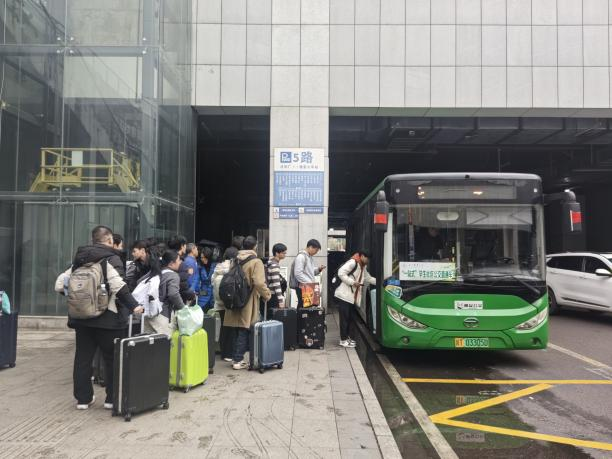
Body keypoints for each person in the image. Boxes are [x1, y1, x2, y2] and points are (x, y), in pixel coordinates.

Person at [54, 225, 143, 410]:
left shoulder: (79, 259)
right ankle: (111, 399)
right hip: (108, 318)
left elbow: (59, 285)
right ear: (110, 240)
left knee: (83, 359)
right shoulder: (110, 259)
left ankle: (83, 400)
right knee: (111, 359)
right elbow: (119, 287)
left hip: (82, 319)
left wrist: (79, 299)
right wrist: (135, 306)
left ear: (93, 240)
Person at [224, 236, 271, 370]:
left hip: (234, 298)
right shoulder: (256, 261)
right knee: (244, 329)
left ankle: (235, 357)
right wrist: (267, 294)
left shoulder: (236, 259)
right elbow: (259, 282)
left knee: (237, 329)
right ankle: (238, 360)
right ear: (255, 246)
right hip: (247, 299)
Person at [334, 250, 376, 348]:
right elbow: (341, 273)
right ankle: (343, 340)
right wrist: (352, 282)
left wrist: (381, 282)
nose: (368, 261)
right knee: (344, 319)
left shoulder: (362, 266)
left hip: (351, 297)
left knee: (349, 318)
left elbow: (368, 278)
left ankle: (347, 338)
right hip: (344, 295)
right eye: (367, 258)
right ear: (362, 256)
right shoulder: (353, 262)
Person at [211, 246, 239, 362]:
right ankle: (229, 353)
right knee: (231, 328)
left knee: (224, 327)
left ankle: (224, 352)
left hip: (219, 303)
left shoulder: (217, 268)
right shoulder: (233, 268)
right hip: (229, 303)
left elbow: (212, 283)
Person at [289, 239, 326, 308]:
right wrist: (309, 283)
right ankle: (300, 316)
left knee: (307, 307)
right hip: (303, 287)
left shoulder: (309, 257)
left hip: (307, 286)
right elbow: (298, 274)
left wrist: (319, 269)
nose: (316, 253)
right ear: (310, 247)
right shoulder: (301, 257)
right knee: (303, 306)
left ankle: (302, 315)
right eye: (316, 250)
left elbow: (309, 272)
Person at [157, 250, 186, 334]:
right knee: (165, 340)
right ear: (171, 264)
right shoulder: (173, 275)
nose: (180, 262)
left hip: (149, 313)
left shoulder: (157, 272)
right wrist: (183, 308)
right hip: (163, 314)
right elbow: (173, 294)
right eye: (178, 260)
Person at [167, 235, 195, 304]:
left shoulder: (167, 258)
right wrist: (187, 273)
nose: (186, 247)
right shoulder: (180, 263)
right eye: (185, 245)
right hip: (177, 302)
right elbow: (183, 287)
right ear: (182, 246)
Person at [267, 243, 287, 310]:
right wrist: (280, 300)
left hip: (268, 294)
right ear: (277, 253)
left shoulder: (269, 262)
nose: (285, 254)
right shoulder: (274, 265)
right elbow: (276, 284)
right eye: (283, 253)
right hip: (273, 295)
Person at [197, 246, 216, 313]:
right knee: (201, 312)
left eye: (204, 257)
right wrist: (199, 291)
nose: (202, 259)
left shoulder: (215, 265)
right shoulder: (199, 267)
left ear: (208, 257)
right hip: (203, 293)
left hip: (213, 294)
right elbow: (197, 280)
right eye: (201, 257)